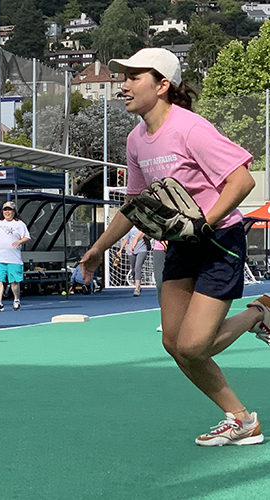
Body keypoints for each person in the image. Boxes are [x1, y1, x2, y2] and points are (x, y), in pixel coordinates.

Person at [80, 47, 263, 446]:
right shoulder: (135, 140)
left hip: (218, 241)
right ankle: (241, 419)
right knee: (173, 342)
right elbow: (135, 203)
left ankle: (259, 312)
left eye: (134, 77)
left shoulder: (190, 128)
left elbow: (242, 181)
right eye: (123, 77)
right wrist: (99, 248)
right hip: (181, 244)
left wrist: (204, 223)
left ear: (162, 85)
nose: (123, 85)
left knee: (194, 345)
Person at [0, 201, 31, 312]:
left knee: (14, 281)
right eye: (5, 210)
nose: (7, 212)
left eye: (9, 210)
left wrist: (19, 242)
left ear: (14, 211)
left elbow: (27, 237)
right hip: (0, 257)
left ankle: (16, 300)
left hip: (14, 259)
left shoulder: (19, 224)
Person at [118, 226, 149, 296]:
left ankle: (137, 288)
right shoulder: (130, 227)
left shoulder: (142, 226)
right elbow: (126, 239)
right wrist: (120, 249)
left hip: (142, 250)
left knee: (138, 267)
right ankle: (137, 284)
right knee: (133, 269)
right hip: (131, 251)